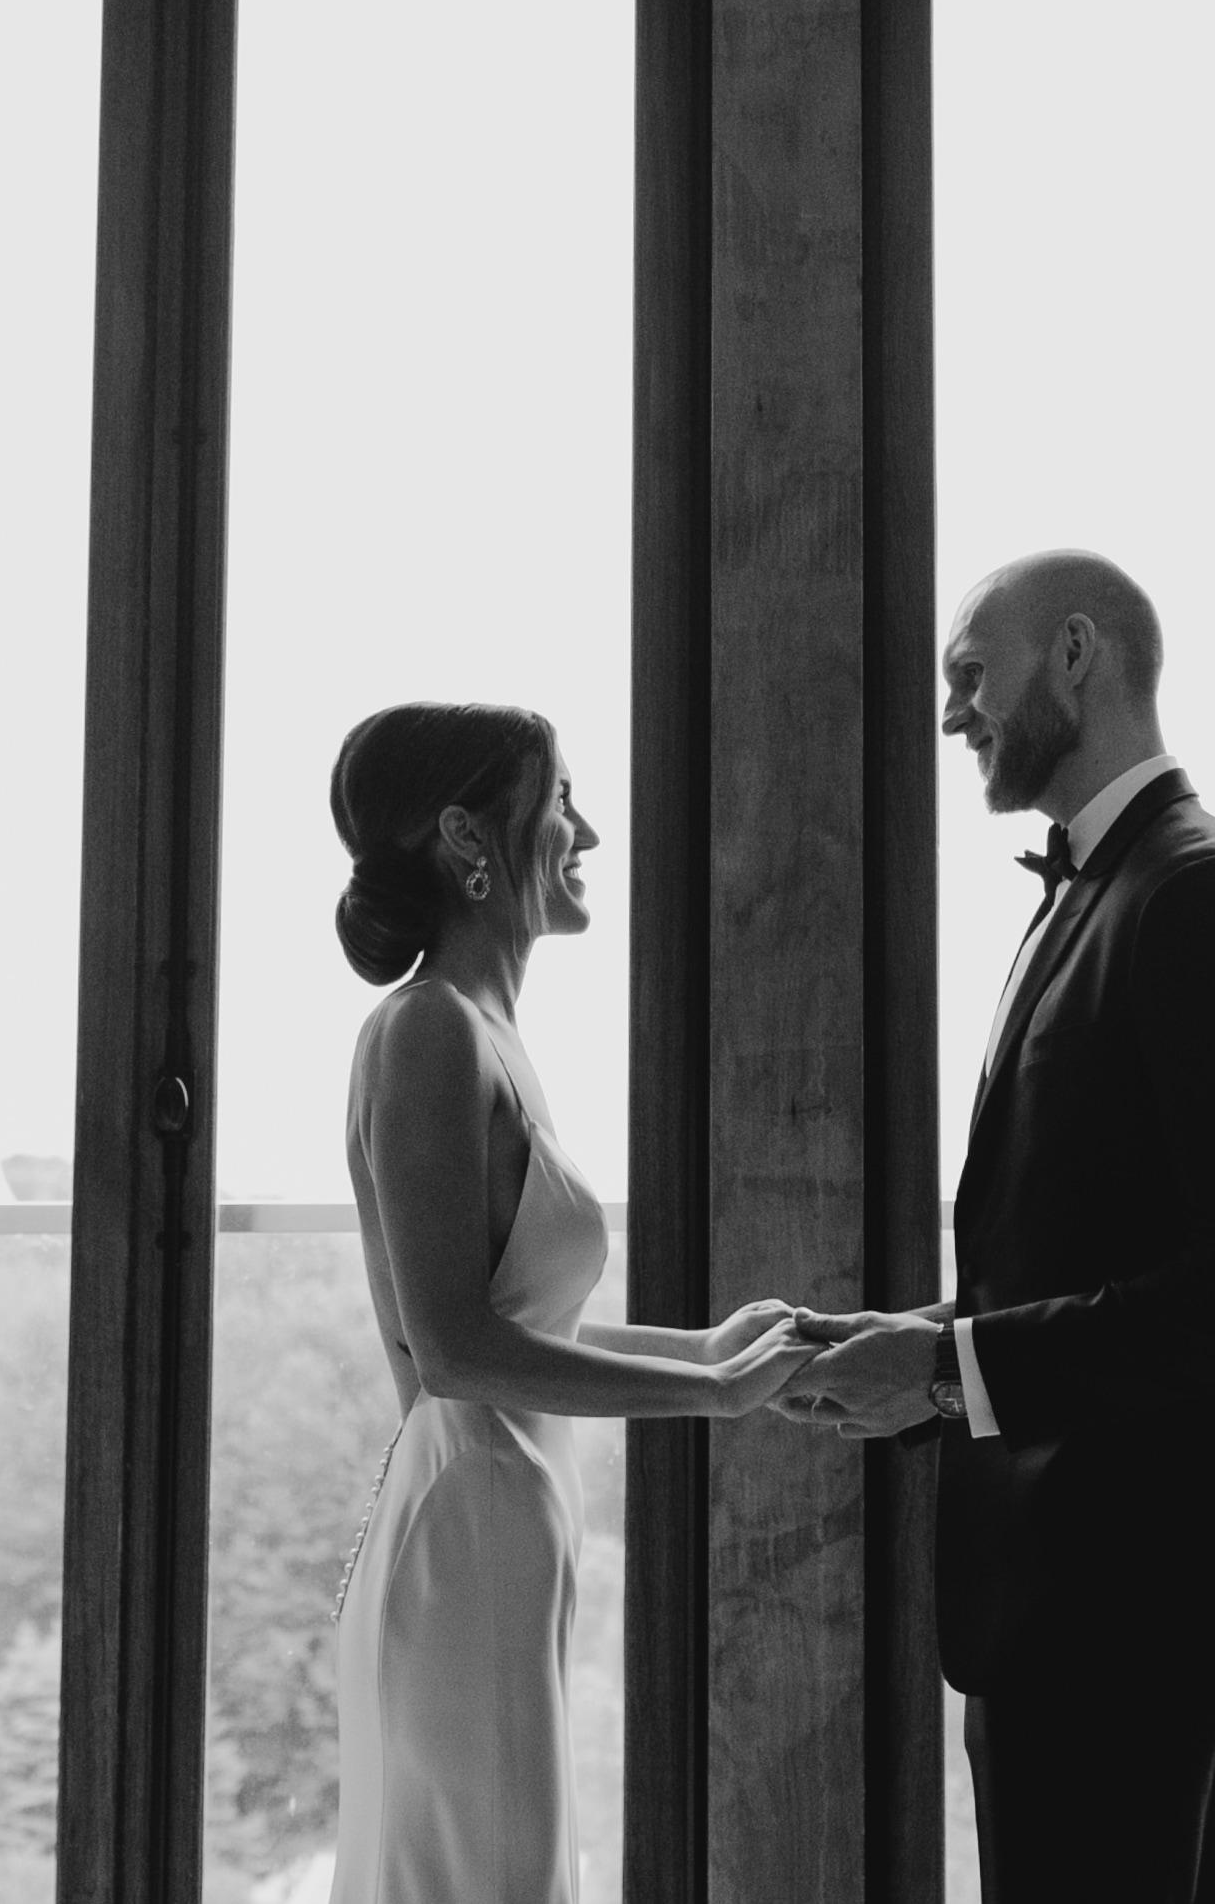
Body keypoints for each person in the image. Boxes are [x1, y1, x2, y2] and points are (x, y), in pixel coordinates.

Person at [784, 553, 1215, 1904]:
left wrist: (945, 1370)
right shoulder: (1101, 889)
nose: (951, 713)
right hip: (1070, 1591)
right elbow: (1089, 1245)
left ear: (1076, 652)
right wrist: (918, 1338)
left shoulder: (1202, 893)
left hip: (1125, 1593)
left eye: (970, 673)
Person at [327, 700, 811, 1904]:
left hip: (509, 1516)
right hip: (469, 1527)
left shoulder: (483, 1030)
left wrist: (702, 1344)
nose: (584, 831)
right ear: (466, 836)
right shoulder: (428, 1029)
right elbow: (453, 1348)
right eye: (558, 801)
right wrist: (710, 1392)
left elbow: (514, 1319)